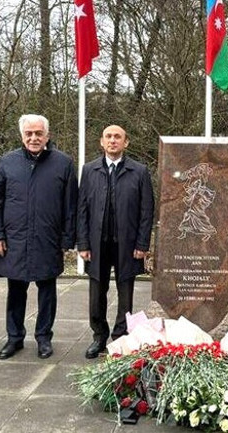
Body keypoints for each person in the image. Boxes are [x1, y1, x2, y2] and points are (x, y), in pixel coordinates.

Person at [0, 114, 77, 360]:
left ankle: (43, 338)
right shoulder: (8, 162)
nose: (34, 138)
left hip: (47, 239)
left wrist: (67, 239)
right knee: (15, 291)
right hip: (15, 239)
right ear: (22, 135)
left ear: (47, 135)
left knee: (47, 292)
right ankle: (14, 338)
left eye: (39, 133)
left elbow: (70, 205)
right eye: (29, 133)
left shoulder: (63, 163)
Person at [78, 125, 154, 359]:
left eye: (117, 137)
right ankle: (99, 336)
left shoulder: (139, 171)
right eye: (108, 137)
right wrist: (82, 243)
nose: (112, 141)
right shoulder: (89, 170)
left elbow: (146, 211)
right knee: (96, 293)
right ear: (101, 142)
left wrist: (142, 244)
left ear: (126, 142)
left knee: (125, 293)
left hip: (127, 244)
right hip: (96, 243)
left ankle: (121, 337)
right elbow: (82, 208)